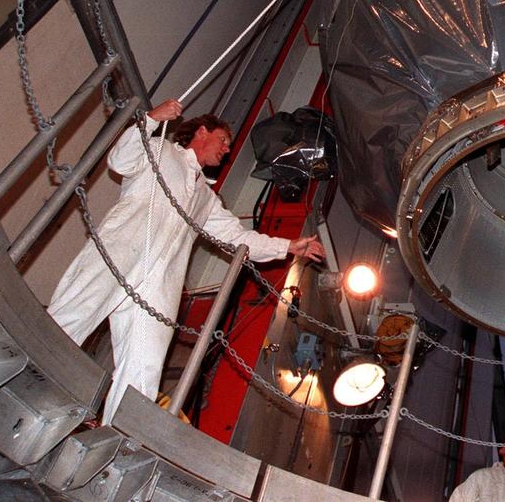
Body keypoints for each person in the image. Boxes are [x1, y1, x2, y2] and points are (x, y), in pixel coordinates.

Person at [46, 99, 325, 423]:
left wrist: (289, 246)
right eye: (223, 140)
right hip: (123, 248)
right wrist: (150, 120)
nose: (226, 150)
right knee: (74, 315)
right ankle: (28, 379)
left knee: (146, 366)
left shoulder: (206, 198)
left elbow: (237, 238)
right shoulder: (162, 150)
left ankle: (117, 436)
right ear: (201, 131)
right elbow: (120, 160)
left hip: (160, 281)